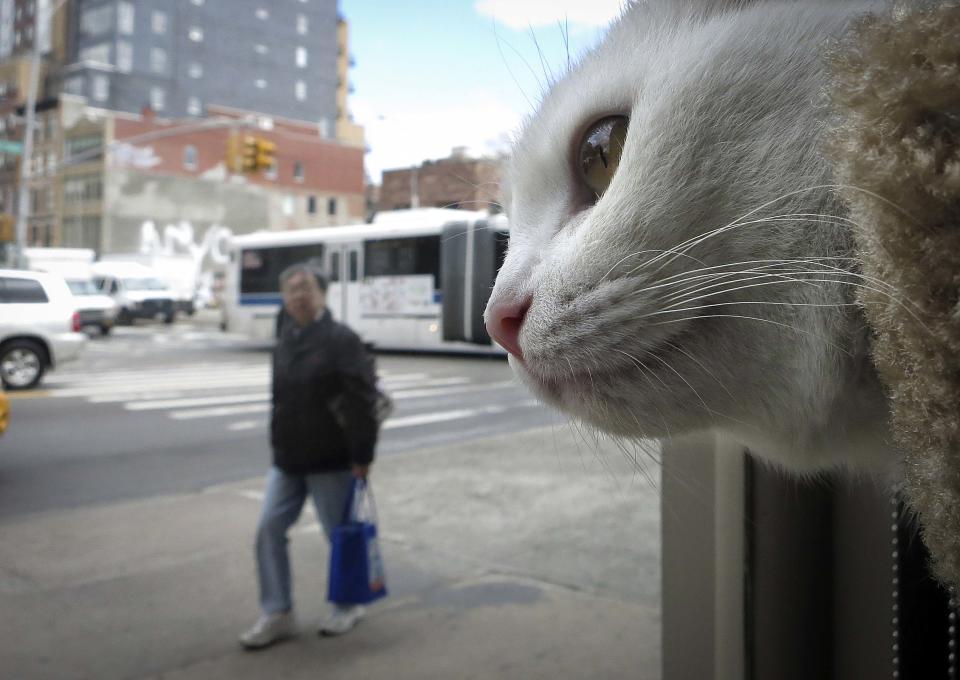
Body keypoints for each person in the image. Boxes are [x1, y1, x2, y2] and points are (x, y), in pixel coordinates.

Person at [240, 262, 380, 650]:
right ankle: (278, 612)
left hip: (330, 459)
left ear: (322, 294)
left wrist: (362, 454)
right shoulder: (285, 335)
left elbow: (362, 401)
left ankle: (348, 604)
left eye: (306, 289)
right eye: (291, 290)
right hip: (287, 458)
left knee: (339, 535)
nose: (299, 297)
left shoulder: (341, 339)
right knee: (269, 529)